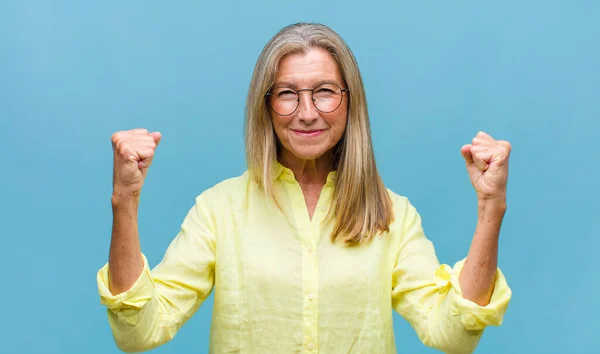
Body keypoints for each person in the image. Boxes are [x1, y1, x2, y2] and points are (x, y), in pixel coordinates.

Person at [97, 23, 512, 354]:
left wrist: (490, 208)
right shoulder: (218, 210)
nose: (307, 113)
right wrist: (125, 201)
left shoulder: (393, 214)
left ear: (351, 103)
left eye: (325, 92)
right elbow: (138, 335)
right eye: (287, 94)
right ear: (266, 105)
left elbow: (453, 337)